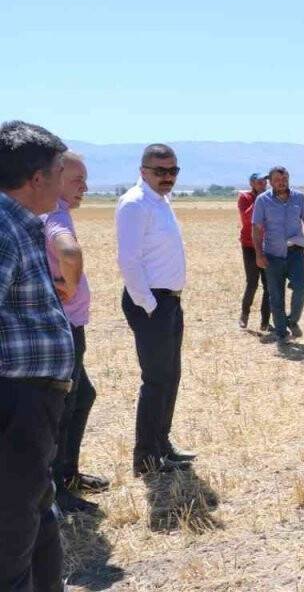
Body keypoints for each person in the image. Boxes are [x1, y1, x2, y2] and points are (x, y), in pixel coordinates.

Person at [0, 120, 75, 591]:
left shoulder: (19, 223)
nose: (67, 182)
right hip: (16, 401)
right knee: (13, 528)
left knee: (36, 515)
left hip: (31, 402)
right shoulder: (5, 229)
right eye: (60, 171)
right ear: (36, 179)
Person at [117, 143, 196, 476]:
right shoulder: (134, 204)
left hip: (169, 301)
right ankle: (146, 458)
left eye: (172, 171)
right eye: (159, 171)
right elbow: (128, 261)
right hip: (151, 302)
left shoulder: (161, 201)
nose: (167, 177)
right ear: (143, 171)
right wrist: (149, 305)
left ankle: (161, 445)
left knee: (170, 377)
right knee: (156, 380)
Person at [43, 151, 109, 513]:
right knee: (65, 405)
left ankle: (67, 475)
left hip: (70, 323)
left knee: (82, 397)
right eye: (77, 181)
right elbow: (68, 250)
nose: (84, 188)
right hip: (65, 326)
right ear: (55, 179)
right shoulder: (55, 214)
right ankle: (56, 488)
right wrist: (67, 280)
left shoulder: (52, 210)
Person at [252, 166, 304, 343]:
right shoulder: (262, 201)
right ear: (271, 182)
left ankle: (292, 321)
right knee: (276, 295)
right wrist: (259, 254)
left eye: (285, 179)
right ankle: (281, 333)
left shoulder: (299, 198)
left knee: (301, 288)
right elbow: (257, 228)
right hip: (272, 255)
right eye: (277, 180)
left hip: (295, 253)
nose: (282, 183)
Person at [237, 173, 270, 330]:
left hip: (268, 246)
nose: (263, 184)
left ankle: (265, 321)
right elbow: (246, 218)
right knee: (252, 283)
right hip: (249, 245)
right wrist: (259, 200)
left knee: (269, 285)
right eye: (259, 182)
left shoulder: (271, 198)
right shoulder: (245, 198)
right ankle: (244, 315)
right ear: (252, 183)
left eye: (265, 182)